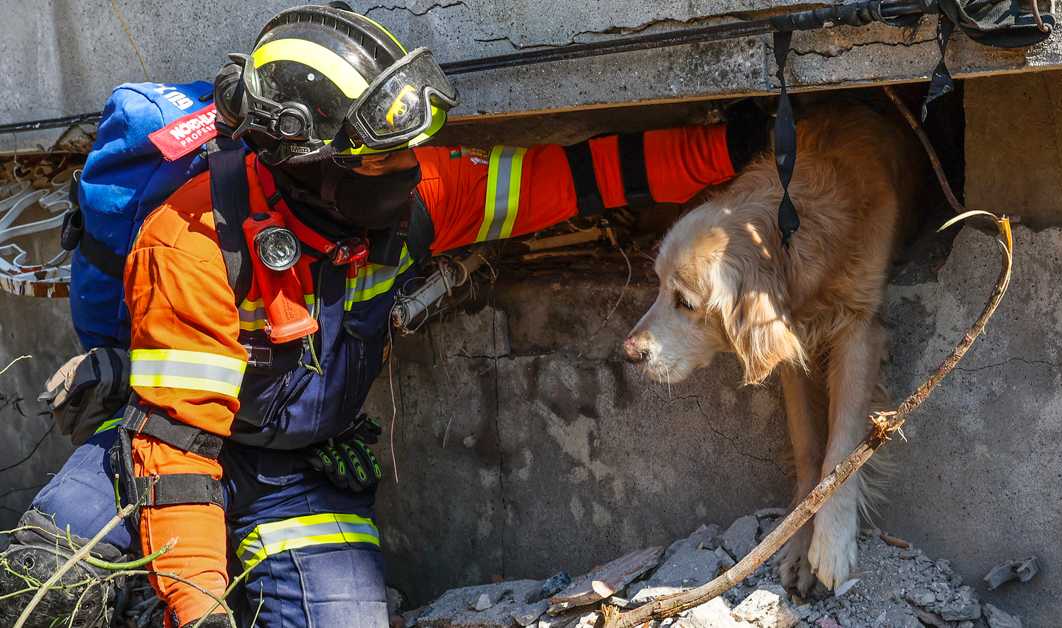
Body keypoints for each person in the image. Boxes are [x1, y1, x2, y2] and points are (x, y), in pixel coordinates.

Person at [0, 4, 767, 627]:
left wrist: (732, 145)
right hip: (178, 449)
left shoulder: (409, 199)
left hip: (297, 468)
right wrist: (198, 608)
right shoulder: (194, 243)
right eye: (381, 159)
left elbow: (566, 179)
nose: (410, 172)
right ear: (307, 165)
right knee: (47, 578)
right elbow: (178, 460)